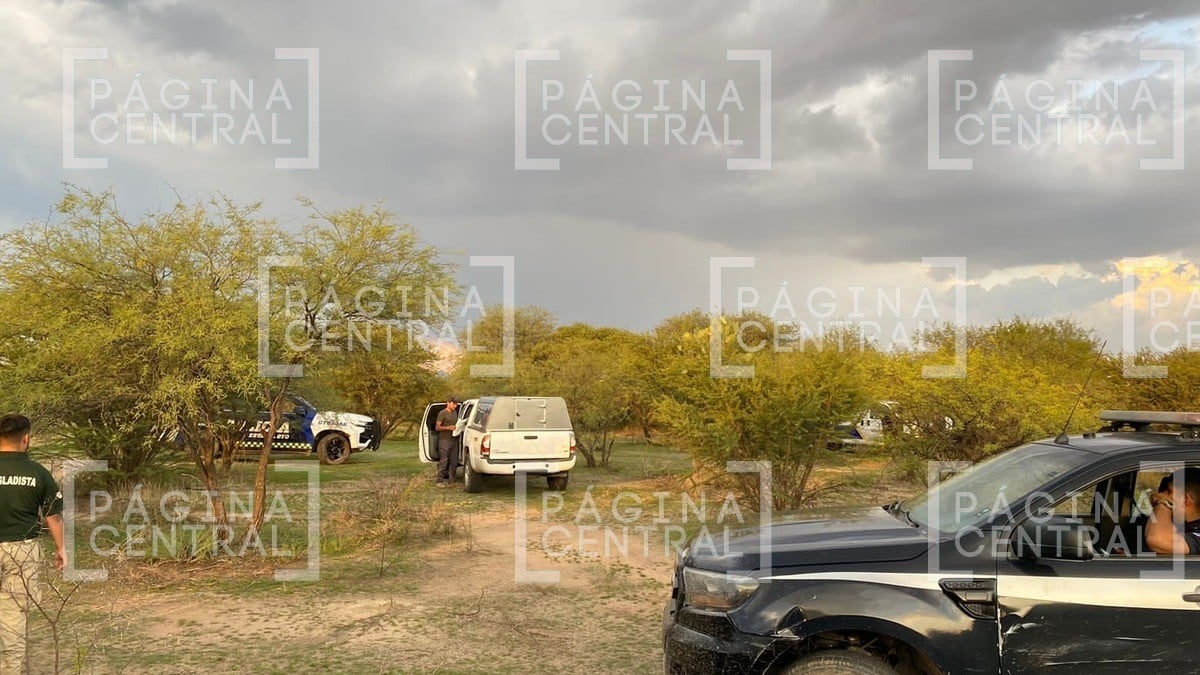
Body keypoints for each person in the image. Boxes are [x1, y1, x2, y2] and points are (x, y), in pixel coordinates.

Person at [0, 414, 65, 673]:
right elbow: (53, 515)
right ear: (25, 439)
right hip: (21, 550)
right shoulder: (37, 473)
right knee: (14, 613)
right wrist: (61, 549)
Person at [1145, 468, 1200, 556]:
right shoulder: (1178, 525)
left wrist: (1164, 502)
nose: (1160, 495)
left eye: (1169, 492)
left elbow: (1158, 540)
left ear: (1185, 500)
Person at [434, 397, 460, 487]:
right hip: (444, 440)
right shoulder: (442, 413)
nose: (455, 406)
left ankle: (452, 480)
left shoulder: (455, 413)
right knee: (444, 460)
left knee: (454, 461)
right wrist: (448, 428)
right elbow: (437, 427)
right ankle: (439, 480)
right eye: (453, 404)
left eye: (456, 404)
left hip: (454, 439)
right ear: (448, 403)